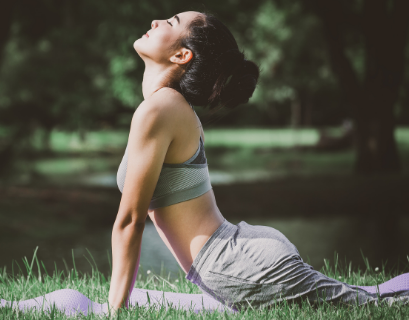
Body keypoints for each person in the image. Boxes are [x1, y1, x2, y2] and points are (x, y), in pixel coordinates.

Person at [107, 11, 408, 315]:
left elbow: (130, 221)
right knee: (371, 298)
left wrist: (115, 313)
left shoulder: (161, 109)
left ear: (182, 55)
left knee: (376, 307)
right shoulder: (165, 107)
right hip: (240, 258)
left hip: (237, 265)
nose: (156, 22)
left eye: (171, 22)